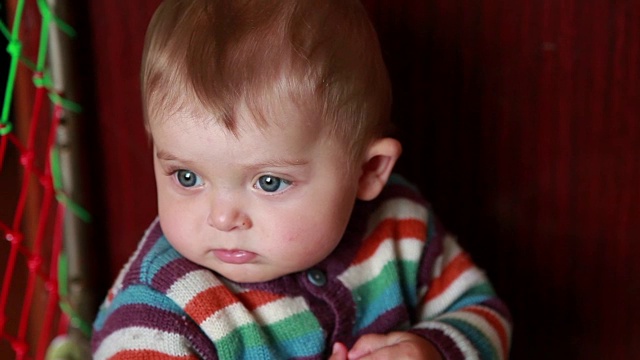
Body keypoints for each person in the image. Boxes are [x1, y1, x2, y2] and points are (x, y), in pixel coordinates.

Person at [91, 0, 512, 359]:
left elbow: (484, 314)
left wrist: (431, 349)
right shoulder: (161, 306)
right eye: (187, 176)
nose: (222, 218)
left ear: (368, 171)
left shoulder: (402, 228)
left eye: (270, 182)